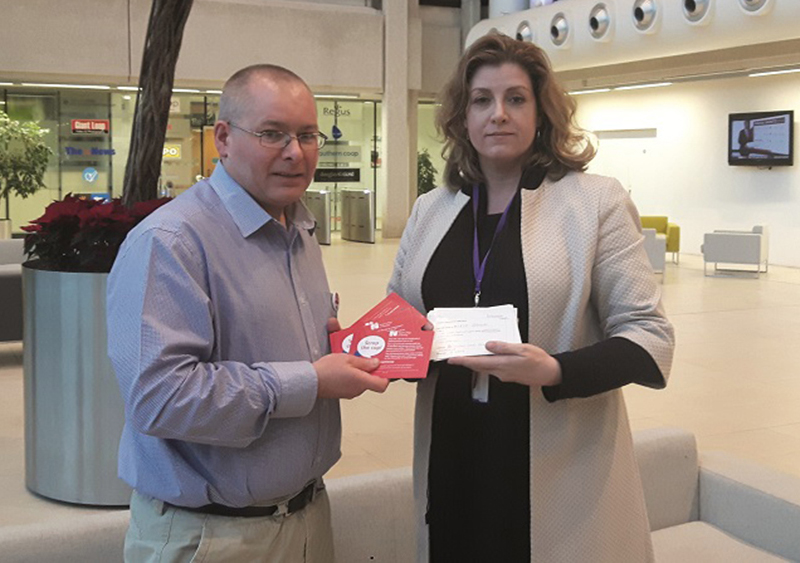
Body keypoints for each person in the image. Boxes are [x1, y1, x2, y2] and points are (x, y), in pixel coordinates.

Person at [388, 34, 674, 562]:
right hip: (452, 451)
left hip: (550, 461)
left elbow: (648, 336)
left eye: (515, 98)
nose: (498, 114)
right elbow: (400, 321)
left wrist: (555, 370)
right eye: (482, 100)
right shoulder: (432, 208)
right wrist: (368, 347)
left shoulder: (594, 202)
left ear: (541, 112)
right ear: (462, 117)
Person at [107, 64, 388, 563]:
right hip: (214, 537)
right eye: (272, 134)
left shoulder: (299, 229)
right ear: (223, 138)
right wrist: (307, 380)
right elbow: (159, 398)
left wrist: (334, 352)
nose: (295, 153)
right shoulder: (170, 242)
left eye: (306, 135)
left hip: (305, 519)